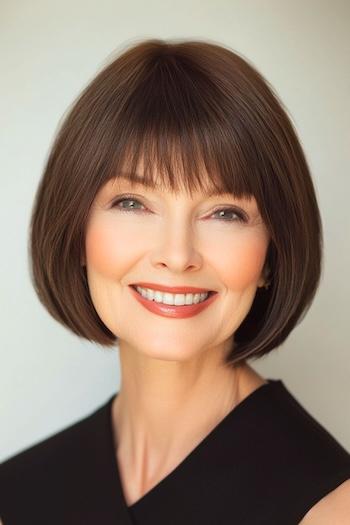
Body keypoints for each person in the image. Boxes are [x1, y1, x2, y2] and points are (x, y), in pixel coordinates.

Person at [1, 37, 350, 524]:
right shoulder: (16, 496)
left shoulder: (331, 508)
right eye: (133, 204)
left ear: (272, 254)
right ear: (77, 232)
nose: (177, 255)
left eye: (224, 212)